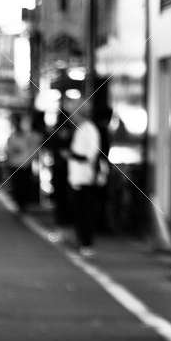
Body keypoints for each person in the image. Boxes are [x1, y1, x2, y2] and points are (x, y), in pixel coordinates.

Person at [66, 95, 101, 257]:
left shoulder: (89, 129)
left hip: (85, 178)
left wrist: (71, 155)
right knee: (79, 212)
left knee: (85, 212)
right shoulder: (82, 129)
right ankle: (82, 242)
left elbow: (90, 155)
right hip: (78, 178)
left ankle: (87, 244)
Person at [4, 113, 39, 213]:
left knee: (24, 185)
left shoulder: (28, 136)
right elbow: (9, 151)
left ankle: (23, 204)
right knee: (18, 186)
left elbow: (34, 148)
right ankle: (20, 204)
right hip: (16, 164)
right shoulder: (12, 137)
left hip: (24, 164)